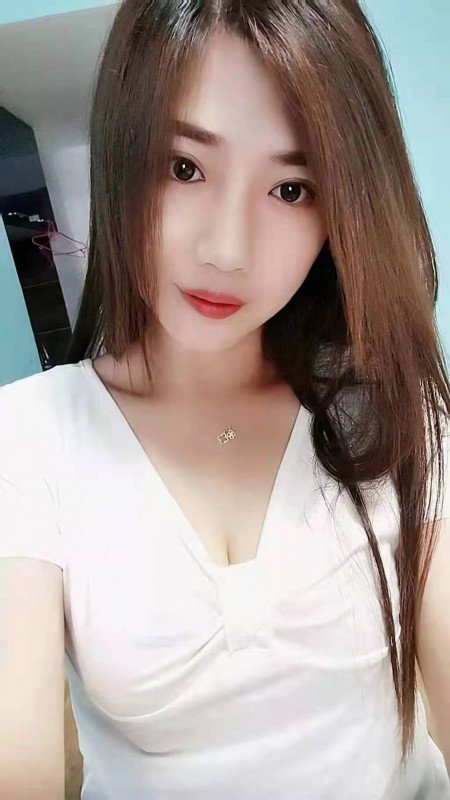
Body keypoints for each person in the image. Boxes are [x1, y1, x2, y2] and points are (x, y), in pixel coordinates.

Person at [1, 1, 449, 798]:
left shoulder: (390, 406)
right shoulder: (31, 435)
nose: (226, 249)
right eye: (185, 168)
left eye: (291, 188)